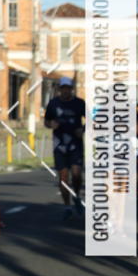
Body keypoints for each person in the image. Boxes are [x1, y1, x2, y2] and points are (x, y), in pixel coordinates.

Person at [44, 76, 86, 220]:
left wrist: (83, 129)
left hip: (75, 143)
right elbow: (46, 121)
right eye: (63, 88)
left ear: (71, 89)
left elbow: (92, 120)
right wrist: (51, 124)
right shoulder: (53, 104)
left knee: (76, 174)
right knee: (63, 177)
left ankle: (76, 195)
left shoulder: (79, 103)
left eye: (68, 88)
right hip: (60, 145)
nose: (65, 91)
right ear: (59, 89)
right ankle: (67, 206)